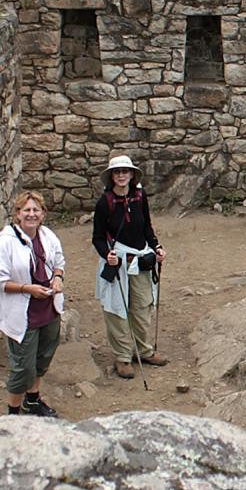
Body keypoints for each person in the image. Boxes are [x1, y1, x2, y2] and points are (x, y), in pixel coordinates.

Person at [0, 190, 67, 417]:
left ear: (43, 214)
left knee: (42, 358)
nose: (32, 214)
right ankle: (12, 415)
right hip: (23, 314)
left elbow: (59, 261)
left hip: (48, 309)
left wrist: (57, 278)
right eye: (27, 210)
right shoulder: (6, 243)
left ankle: (32, 401)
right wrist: (27, 289)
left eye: (36, 210)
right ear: (18, 214)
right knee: (23, 367)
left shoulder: (47, 236)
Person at [93, 155, 168, 379]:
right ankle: (123, 357)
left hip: (141, 259)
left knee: (142, 306)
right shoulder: (104, 203)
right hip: (118, 261)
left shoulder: (139, 196)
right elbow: (98, 237)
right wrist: (107, 255)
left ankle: (144, 351)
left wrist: (156, 246)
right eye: (117, 172)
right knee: (117, 310)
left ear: (132, 174)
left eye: (125, 171)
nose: (121, 175)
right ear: (111, 176)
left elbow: (146, 226)